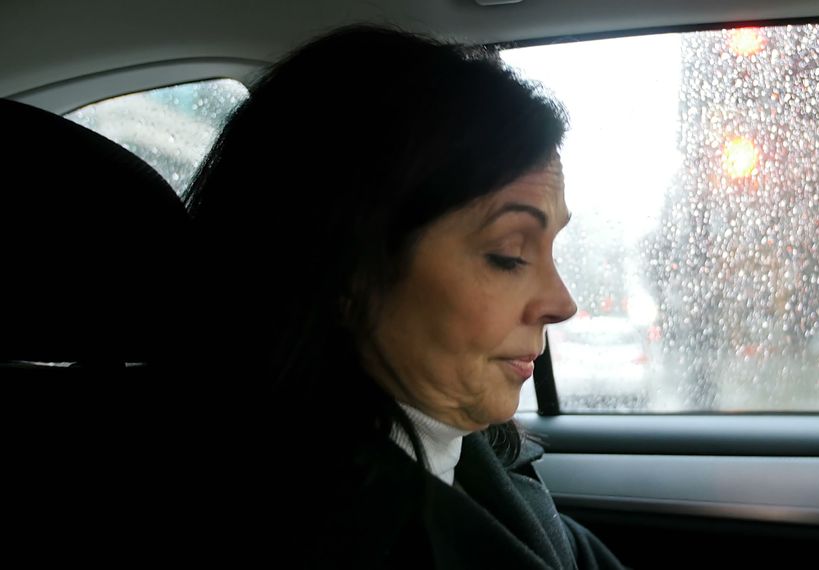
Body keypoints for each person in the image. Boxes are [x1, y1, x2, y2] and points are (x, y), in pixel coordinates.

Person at [183, 24, 624, 569]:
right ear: (346, 267)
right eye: (509, 254)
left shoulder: (470, 454)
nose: (562, 303)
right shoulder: (313, 534)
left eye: (551, 247)